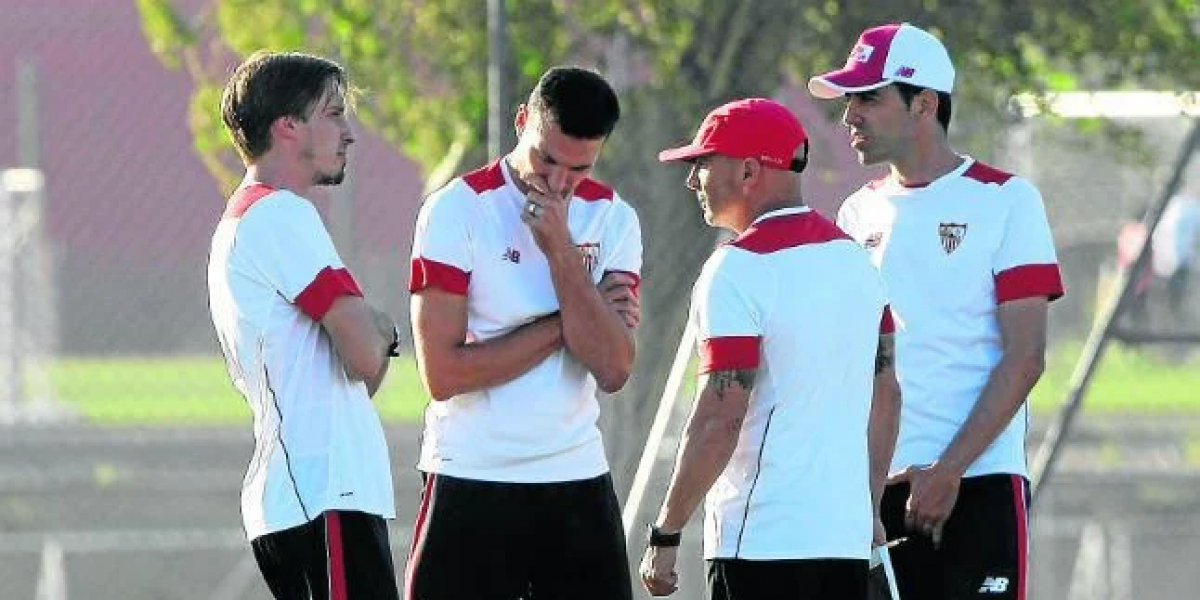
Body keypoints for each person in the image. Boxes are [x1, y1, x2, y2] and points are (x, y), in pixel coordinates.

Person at [809, 22, 1066, 600]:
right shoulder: (855, 213)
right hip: (880, 492)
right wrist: (860, 486)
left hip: (978, 482)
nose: (850, 116)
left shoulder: (1006, 199)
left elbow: (1026, 356)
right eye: (849, 100)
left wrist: (950, 468)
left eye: (868, 98)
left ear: (923, 103)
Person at [641, 98, 900, 600]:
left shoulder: (737, 268)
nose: (693, 180)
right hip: (845, 542)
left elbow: (720, 416)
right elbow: (886, 396)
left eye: (702, 163)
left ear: (748, 171)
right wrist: (867, 513)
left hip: (762, 544)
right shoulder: (857, 263)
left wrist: (666, 531)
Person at [405, 66, 642, 600]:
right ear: (521, 123)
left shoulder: (614, 219)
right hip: (471, 475)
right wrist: (569, 322)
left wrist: (559, 249)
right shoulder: (456, 210)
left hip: (575, 476)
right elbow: (443, 374)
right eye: (546, 159)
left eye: (578, 169)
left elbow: (613, 368)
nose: (558, 183)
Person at [208, 51, 401, 600]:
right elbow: (366, 357)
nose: (349, 133)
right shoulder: (280, 216)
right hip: (321, 494)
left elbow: (360, 369)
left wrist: (373, 337)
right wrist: (382, 331)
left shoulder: (254, 219)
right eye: (334, 114)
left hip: (316, 495)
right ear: (287, 126)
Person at [1151, 191, 1200, 319]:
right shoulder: (1188, 208)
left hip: (1175, 255)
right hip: (1178, 255)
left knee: (1176, 283)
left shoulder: (1179, 206)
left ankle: (1173, 305)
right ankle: (1174, 306)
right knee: (1177, 283)